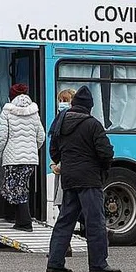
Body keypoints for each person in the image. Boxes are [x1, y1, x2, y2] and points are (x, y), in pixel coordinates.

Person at [46, 86, 120, 272]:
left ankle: (55, 262)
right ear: (89, 107)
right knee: (95, 221)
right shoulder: (93, 124)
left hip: (69, 178)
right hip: (89, 179)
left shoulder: (61, 122)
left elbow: (53, 150)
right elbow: (106, 152)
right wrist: (103, 168)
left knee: (65, 221)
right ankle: (98, 264)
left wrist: (64, 163)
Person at [0, 83, 44, 232]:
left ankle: (24, 222)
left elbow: (2, 136)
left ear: (11, 96)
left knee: (15, 188)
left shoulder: (7, 111)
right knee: (20, 187)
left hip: (12, 158)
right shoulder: (33, 111)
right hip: (30, 160)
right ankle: (16, 218)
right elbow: (40, 136)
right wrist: (32, 150)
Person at [49, 88, 75, 255]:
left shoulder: (73, 122)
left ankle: (62, 248)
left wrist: (60, 165)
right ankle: (65, 246)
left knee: (67, 211)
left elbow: (73, 148)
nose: (62, 104)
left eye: (65, 100)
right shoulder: (59, 120)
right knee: (64, 209)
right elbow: (55, 146)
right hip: (61, 170)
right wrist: (53, 164)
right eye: (61, 100)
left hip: (68, 172)